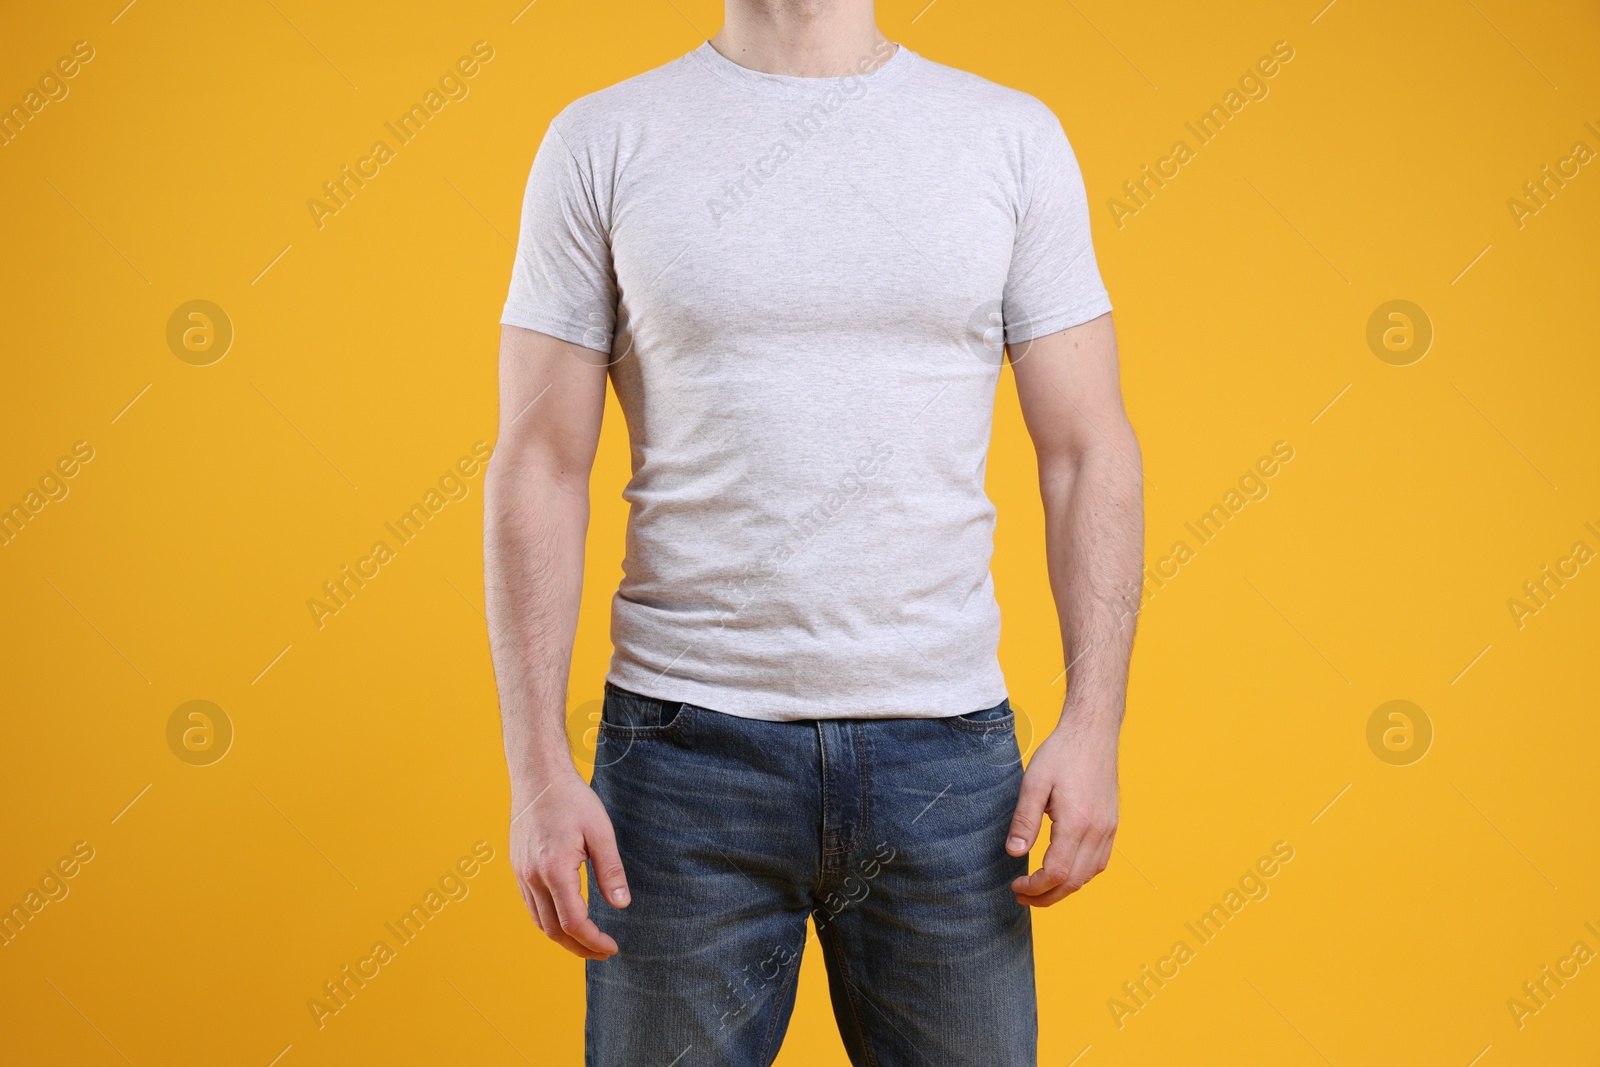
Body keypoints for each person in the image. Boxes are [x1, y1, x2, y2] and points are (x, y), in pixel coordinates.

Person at [484, 1, 1143, 1062]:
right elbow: (539, 464)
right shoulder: (603, 139)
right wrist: (535, 770)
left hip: (950, 763)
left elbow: (1086, 450)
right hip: (681, 759)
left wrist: (1095, 720)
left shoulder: (1007, 136)